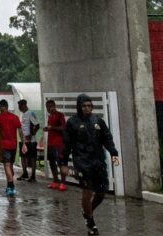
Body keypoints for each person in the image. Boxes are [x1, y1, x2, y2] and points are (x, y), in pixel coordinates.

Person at [63, 94, 120, 236]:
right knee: (87, 191)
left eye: (89, 106)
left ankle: (87, 211)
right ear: (79, 107)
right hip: (82, 163)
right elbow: (66, 145)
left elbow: (107, 137)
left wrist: (113, 152)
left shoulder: (98, 121)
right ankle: (91, 223)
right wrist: (63, 164)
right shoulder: (72, 123)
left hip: (98, 162)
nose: (87, 108)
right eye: (84, 106)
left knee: (102, 192)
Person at [0, 99, 23, 197]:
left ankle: (11, 187)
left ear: (3, 106)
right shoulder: (15, 117)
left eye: (0, 107)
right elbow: (20, 131)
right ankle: (9, 185)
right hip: (13, 145)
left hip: (4, 145)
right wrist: (23, 142)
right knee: (10, 165)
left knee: (7, 166)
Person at [44, 99, 69, 191]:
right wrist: (47, 128)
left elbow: (63, 127)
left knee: (60, 163)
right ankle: (55, 181)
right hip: (51, 143)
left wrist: (52, 127)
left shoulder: (60, 115)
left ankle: (63, 182)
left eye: (50, 107)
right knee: (51, 162)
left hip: (58, 143)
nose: (49, 109)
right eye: (47, 107)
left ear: (54, 106)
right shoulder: (50, 116)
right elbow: (51, 128)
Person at [17, 99, 40, 182]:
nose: (19, 108)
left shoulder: (30, 113)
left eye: (20, 106)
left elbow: (37, 125)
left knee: (32, 157)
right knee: (23, 157)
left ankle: (33, 175)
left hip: (31, 141)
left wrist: (32, 134)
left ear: (24, 105)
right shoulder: (22, 114)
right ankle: (25, 173)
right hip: (23, 140)